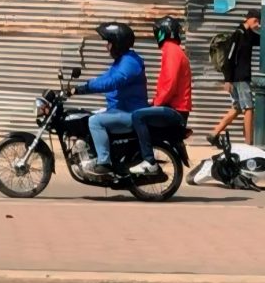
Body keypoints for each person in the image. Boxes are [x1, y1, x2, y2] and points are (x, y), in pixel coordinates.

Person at [73, 22, 148, 176]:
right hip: (119, 109)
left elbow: (113, 81)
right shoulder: (122, 61)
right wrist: (80, 88)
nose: (106, 47)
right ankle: (93, 155)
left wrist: (85, 88)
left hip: (130, 112)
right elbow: (104, 78)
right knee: (87, 116)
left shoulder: (130, 62)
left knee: (95, 121)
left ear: (118, 43)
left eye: (109, 43)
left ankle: (104, 162)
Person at [129, 16, 192, 176]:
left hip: (175, 110)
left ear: (163, 33)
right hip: (174, 107)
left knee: (138, 116)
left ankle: (149, 162)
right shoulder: (175, 50)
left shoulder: (171, 50)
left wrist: (156, 102)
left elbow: (170, 83)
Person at [208, 8, 261, 146]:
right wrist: (228, 80)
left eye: (259, 21)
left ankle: (214, 133)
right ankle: (249, 143)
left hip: (241, 78)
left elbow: (263, 40)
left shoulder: (249, 35)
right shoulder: (237, 35)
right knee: (249, 108)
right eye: (256, 20)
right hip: (239, 78)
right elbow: (229, 58)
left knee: (237, 108)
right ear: (248, 19)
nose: (257, 24)